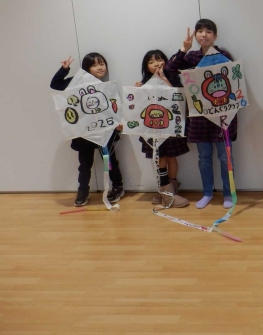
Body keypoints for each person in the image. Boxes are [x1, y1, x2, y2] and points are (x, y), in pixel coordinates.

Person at [165, 19, 237, 209]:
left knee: (225, 158)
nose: (204, 34)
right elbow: (169, 70)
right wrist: (184, 49)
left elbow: (234, 82)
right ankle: (207, 193)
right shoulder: (191, 57)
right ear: (196, 35)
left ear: (215, 36)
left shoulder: (224, 56)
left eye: (208, 31)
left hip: (222, 116)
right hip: (199, 118)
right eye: (200, 31)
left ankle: (228, 193)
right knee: (204, 158)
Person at [50, 53, 124, 207]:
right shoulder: (75, 83)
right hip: (84, 134)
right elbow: (55, 84)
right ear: (87, 68)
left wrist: (118, 123)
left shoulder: (106, 86)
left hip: (105, 133)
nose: (100, 67)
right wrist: (64, 69)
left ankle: (117, 186)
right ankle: (83, 191)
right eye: (95, 65)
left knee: (109, 161)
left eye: (102, 64)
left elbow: (114, 107)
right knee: (85, 165)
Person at [136, 50, 189, 208]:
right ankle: (165, 191)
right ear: (146, 66)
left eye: (159, 60)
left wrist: (164, 79)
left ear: (166, 61)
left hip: (171, 127)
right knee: (160, 158)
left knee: (171, 158)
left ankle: (171, 190)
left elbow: (179, 98)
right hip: (153, 130)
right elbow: (137, 107)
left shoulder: (173, 78)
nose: (156, 64)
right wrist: (137, 91)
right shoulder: (144, 83)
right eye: (151, 62)